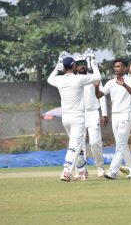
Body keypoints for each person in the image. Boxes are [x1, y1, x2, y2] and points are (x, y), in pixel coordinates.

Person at [47, 52, 101, 181]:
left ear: (64, 67)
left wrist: (56, 68)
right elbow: (98, 77)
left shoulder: (59, 79)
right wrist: (93, 64)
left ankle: (82, 171)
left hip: (65, 118)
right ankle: (66, 171)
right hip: (77, 117)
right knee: (74, 146)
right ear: (74, 66)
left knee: (76, 145)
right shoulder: (79, 79)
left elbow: (49, 79)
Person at [94, 58, 131, 179]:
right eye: (115, 66)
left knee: (120, 143)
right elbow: (100, 95)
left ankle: (113, 171)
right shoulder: (111, 82)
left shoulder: (130, 80)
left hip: (126, 114)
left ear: (124, 68)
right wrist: (96, 88)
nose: (116, 68)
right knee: (121, 144)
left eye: (118, 66)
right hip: (115, 115)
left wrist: (124, 85)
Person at [74, 53, 108, 177]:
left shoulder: (94, 77)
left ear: (87, 65)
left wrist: (104, 114)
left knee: (94, 141)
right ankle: (82, 170)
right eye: (79, 64)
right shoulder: (73, 79)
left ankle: (100, 166)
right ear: (75, 66)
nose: (82, 66)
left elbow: (102, 96)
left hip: (93, 112)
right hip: (78, 114)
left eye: (84, 64)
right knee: (79, 143)